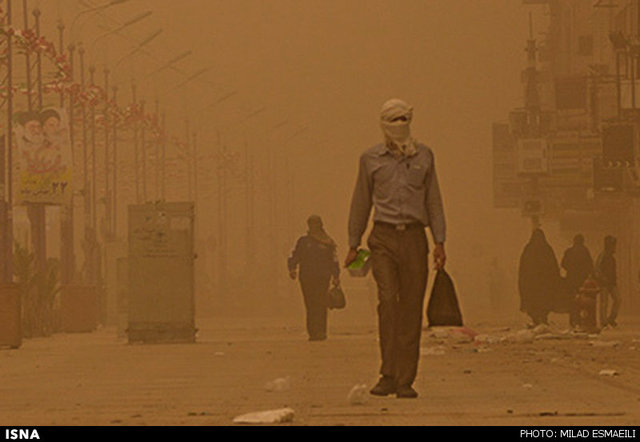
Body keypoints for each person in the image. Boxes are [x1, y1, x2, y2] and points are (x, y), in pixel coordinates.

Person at [345, 98, 446, 399]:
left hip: (415, 238)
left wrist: (439, 241)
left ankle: (405, 380)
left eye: (405, 119)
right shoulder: (370, 160)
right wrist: (353, 243)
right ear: (384, 124)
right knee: (388, 303)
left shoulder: (425, 157)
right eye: (394, 120)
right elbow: (361, 202)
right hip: (383, 238)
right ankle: (387, 373)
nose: (400, 125)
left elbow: (434, 201)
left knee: (411, 308)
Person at [288, 215, 340, 341]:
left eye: (316, 224)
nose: (314, 226)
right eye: (311, 224)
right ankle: (312, 332)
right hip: (306, 278)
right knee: (310, 304)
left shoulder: (328, 243)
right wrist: (292, 268)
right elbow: (296, 255)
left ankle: (321, 331)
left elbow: (333, 260)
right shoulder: (304, 241)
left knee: (321, 304)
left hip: (323, 277)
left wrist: (336, 275)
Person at [518, 228, 561, 326]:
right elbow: (553, 267)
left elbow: (523, 268)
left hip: (532, 284)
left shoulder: (528, 249)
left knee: (533, 302)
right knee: (544, 302)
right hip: (545, 284)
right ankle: (543, 318)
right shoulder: (547, 249)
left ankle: (536, 319)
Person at [561, 234, 594, 326]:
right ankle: (581, 319)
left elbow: (563, 264)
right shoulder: (585, 251)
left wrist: (570, 269)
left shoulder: (569, 251)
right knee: (583, 300)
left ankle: (573, 319)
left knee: (572, 300)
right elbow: (590, 265)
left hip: (571, 280)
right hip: (582, 280)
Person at [595, 235, 620, 328]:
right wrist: (602, 278)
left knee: (618, 300)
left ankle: (611, 319)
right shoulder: (603, 256)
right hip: (604, 283)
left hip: (612, 283)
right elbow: (597, 268)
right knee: (604, 302)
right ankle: (604, 321)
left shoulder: (611, 257)